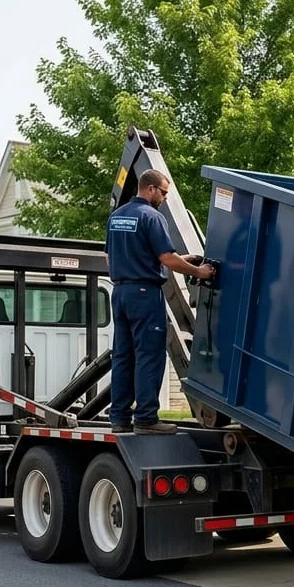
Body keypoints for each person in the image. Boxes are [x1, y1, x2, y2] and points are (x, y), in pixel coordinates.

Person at [103, 169, 214, 434]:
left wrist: (180, 259)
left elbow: (111, 256)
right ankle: (146, 419)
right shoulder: (152, 217)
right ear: (150, 188)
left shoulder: (117, 217)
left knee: (123, 355)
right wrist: (200, 271)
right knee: (149, 355)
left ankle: (119, 418)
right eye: (164, 192)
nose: (165, 198)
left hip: (120, 293)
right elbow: (166, 259)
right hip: (144, 294)